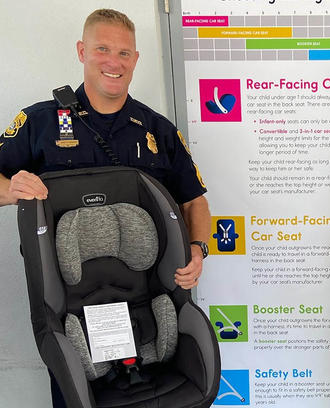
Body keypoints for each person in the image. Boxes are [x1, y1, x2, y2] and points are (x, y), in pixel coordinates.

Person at [0, 9, 211, 407]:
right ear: (82, 51)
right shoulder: (40, 122)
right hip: (66, 312)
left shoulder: (158, 130)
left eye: (124, 53)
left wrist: (199, 249)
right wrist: (12, 188)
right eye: (102, 49)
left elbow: (194, 200)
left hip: (146, 302)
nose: (114, 62)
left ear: (135, 59)